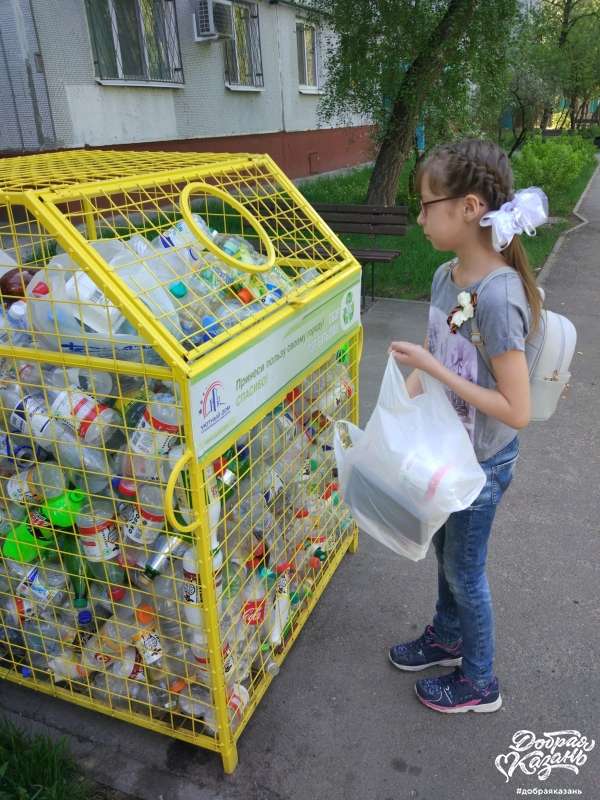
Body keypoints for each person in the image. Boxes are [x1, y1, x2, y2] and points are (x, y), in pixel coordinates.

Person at [387, 138, 548, 713]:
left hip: (482, 462)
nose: (421, 215)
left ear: (471, 207)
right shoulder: (442, 277)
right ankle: (446, 636)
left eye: (429, 204)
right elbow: (436, 355)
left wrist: (431, 370)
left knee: (464, 568)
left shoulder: (499, 297)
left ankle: (480, 682)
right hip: (447, 450)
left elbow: (516, 410)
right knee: (444, 554)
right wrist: (393, 415)